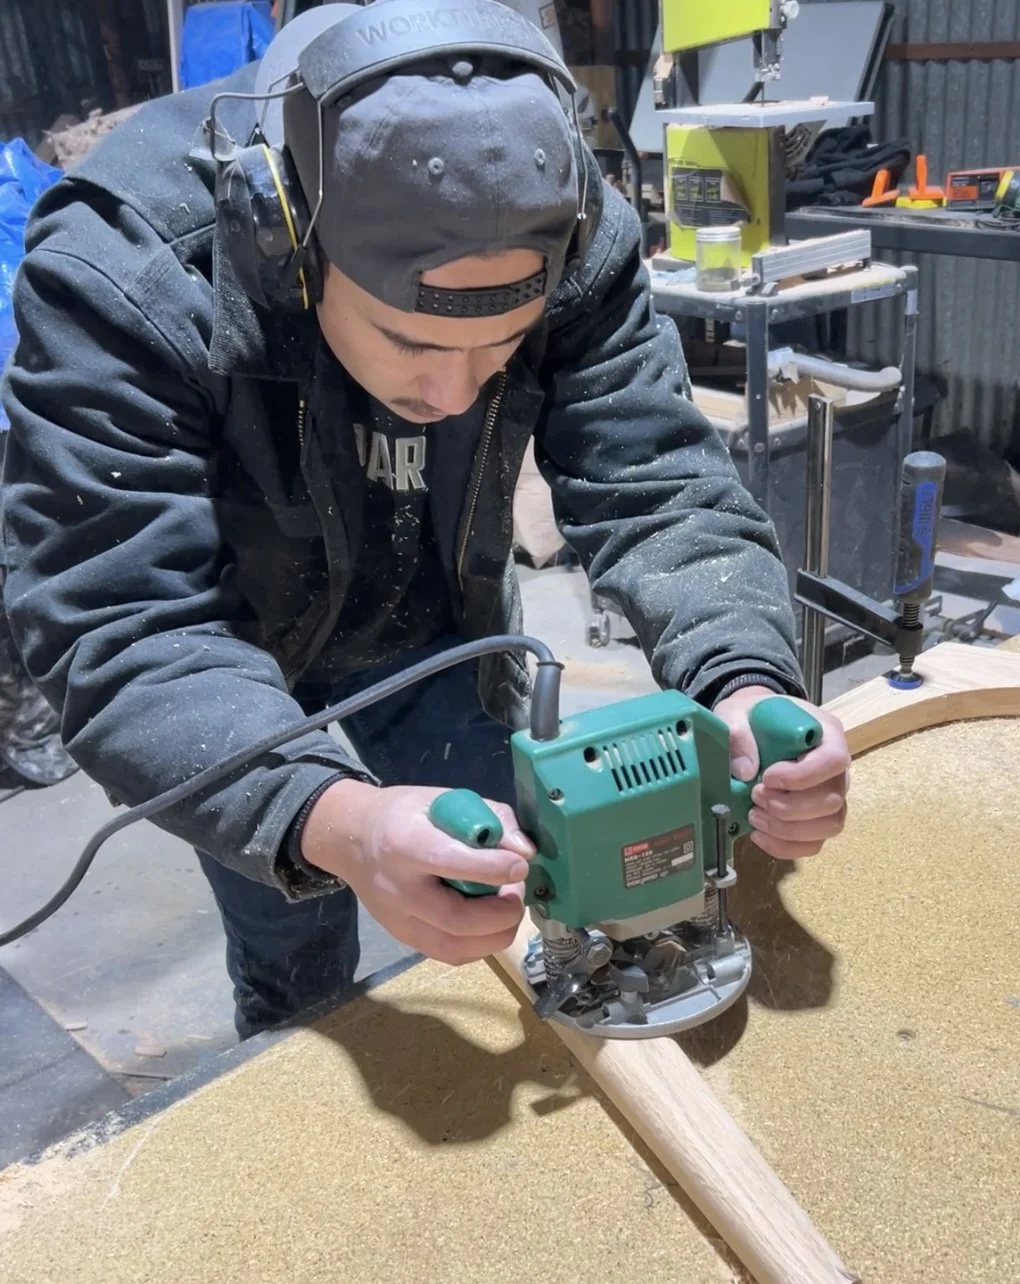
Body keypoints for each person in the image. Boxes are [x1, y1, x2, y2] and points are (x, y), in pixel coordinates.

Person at [0, 0, 850, 1039]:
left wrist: (744, 674)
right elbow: (123, 616)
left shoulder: (573, 237)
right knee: (295, 935)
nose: (456, 396)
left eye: (501, 354)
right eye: (412, 342)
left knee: (506, 865)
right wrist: (332, 823)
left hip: (439, 616)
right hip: (233, 654)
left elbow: (658, 483)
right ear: (289, 246)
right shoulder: (127, 268)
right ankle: (295, 1028)